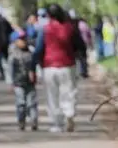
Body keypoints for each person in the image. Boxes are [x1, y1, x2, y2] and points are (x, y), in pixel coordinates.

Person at [33, 4, 85, 133]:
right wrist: (78, 56)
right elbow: (80, 45)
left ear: (49, 15)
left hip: (49, 66)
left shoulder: (45, 29)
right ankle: (69, 113)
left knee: (52, 96)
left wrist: (34, 64)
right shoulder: (70, 28)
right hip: (68, 65)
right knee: (69, 92)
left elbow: (39, 49)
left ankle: (57, 123)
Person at [8, 30, 38, 131]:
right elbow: (10, 70)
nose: (23, 42)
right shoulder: (13, 55)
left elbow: (35, 65)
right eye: (20, 40)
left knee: (32, 103)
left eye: (24, 39)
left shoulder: (31, 52)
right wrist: (11, 82)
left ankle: (34, 121)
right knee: (21, 103)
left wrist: (36, 75)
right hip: (18, 82)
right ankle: (21, 121)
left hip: (30, 82)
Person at [0, 7, 14, 85]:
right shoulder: (4, 21)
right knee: (5, 59)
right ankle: (6, 74)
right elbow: (11, 30)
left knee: (0, 60)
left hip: (1, 44)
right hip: (4, 43)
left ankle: (4, 74)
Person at [68, 9, 91, 78]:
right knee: (82, 58)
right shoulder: (80, 23)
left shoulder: (69, 24)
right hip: (79, 43)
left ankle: (80, 72)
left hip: (76, 43)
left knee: (78, 58)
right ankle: (83, 72)